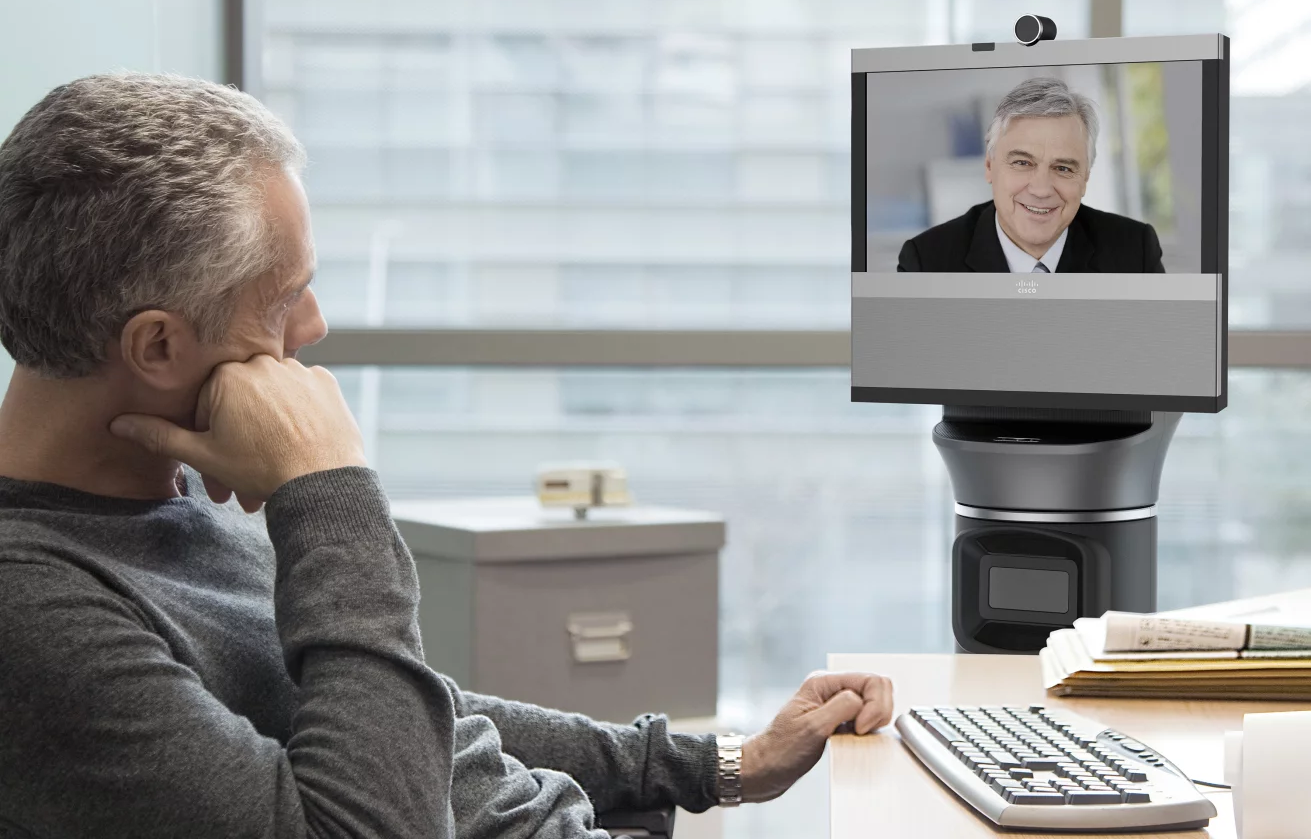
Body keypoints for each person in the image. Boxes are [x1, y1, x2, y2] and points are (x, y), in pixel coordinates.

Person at [0, 74, 894, 838]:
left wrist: (724, 764)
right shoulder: (33, 613)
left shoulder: (177, 492)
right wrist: (328, 493)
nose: (315, 330)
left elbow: (395, 716)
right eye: (286, 298)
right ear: (156, 349)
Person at [897, 77, 1165, 274]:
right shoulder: (926, 262)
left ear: (1085, 178)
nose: (1041, 189)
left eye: (1063, 168)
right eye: (1023, 162)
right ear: (989, 166)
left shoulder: (1134, 251)